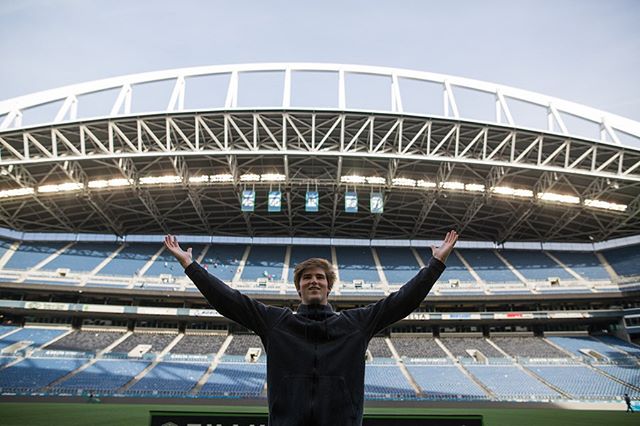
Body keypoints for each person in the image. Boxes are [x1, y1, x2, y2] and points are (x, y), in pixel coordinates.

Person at [164, 231, 458, 426]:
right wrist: (191, 266)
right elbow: (229, 301)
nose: (314, 281)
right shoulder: (277, 323)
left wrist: (435, 265)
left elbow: (400, 302)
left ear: (329, 286)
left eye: (320, 277)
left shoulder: (355, 324)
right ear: (298, 287)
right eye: (307, 278)